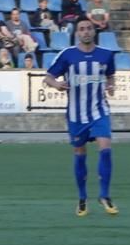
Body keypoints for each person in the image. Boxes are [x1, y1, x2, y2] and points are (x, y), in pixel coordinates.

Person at [44, 17, 118, 217]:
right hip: (76, 115)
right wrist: (57, 84)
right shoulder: (67, 55)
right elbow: (48, 77)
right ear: (77, 33)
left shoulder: (106, 55)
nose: (86, 32)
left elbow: (110, 75)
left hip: (99, 110)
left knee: (105, 148)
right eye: (82, 29)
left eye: (89, 28)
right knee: (79, 154)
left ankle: (104, 195)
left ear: (94, 31)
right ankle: (82, 197)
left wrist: (111, 85)